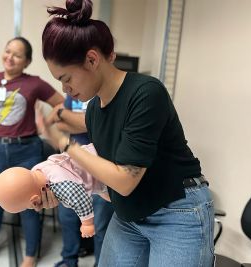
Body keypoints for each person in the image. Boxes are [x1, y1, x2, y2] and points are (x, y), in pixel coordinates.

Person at [37, 0, 215, 266]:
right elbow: (91, 121)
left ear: (92, 59)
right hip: (130, 212)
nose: (65, 89)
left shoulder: (146, 93)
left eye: (66, 79)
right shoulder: (97, 106)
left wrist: (64, 144)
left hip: (177, 210)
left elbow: (124, 180)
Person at [0, 36, 64, 267]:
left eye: (17, 55)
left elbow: (62, 103)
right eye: (7, 51)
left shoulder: (34, 83)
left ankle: (30, 256)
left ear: (27, 61)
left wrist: (47, 124)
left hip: (27, 150)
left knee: (30, 204)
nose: (10, 57)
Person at [46, 96, 113, 267]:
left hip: (99, 171)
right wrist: (68, 119)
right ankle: (69, 261)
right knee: (68, 220)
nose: (67, 87)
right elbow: (58, 123)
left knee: (100, 225)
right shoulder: (73, 95)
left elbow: (99, 124)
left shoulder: (106, 94)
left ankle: (100, 263)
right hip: (71, 170)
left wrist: (63, 114)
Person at [0, 143, 110, 237]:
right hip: (96, 150)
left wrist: (87, 223)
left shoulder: (59, 185)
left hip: (104, 169)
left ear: (34, 201)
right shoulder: (39, 169)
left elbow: (80, 198)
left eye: (28, 207)